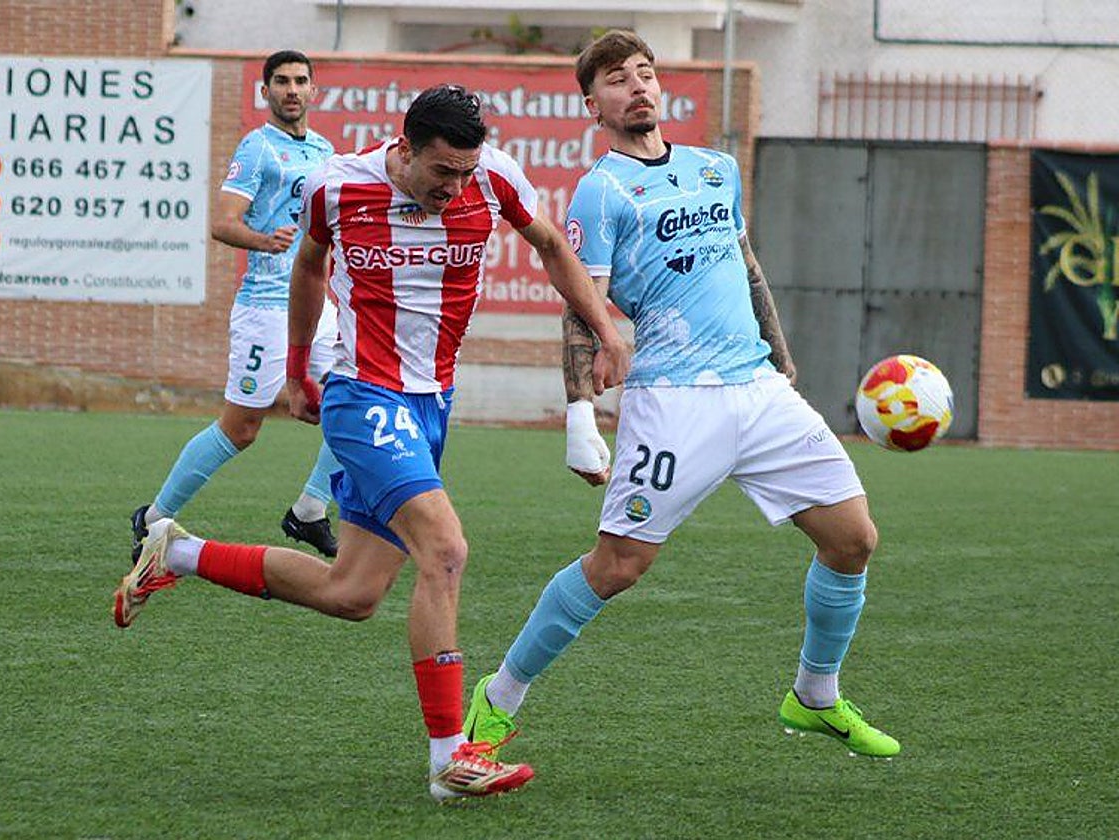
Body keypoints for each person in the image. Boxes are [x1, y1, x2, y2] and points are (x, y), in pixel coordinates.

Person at [112, 85, 631, 801]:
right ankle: (450, 758)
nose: (455, 188)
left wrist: (606, 330)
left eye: (465, 172)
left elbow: (548, 248)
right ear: (407, 147)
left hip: (431, 406)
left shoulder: (495, 178)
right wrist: (300, 369)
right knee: (445, 550)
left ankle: (177, 550)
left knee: (351, 593)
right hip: (363, 397)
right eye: (441, 172)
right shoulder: (339, 186)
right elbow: (309, 267)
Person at [463, 30, 900, 766]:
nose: (637, 87)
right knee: (617, 566)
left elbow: (746, 264)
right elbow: (582, 305)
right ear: (592, 103)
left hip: (758, 389)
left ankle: (814, 695)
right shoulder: (600, 192)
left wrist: (782, 359)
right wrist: (580, 414)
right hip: (674, 398)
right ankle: (498, 697)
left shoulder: (715, 169)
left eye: (644, 74)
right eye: (615, 80)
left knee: (853, 539)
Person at [130, 50, 342, 561]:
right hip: (265, 307)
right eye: (282, 82)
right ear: (265, 91)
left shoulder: (325, 150)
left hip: (317, 304)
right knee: (241, 429)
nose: (292, 90)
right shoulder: (257, 149)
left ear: (314, 91)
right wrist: (264, 240)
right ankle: (154, 518)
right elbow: (223, 223)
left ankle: (310, 509)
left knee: (353, 403)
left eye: (300, 81)